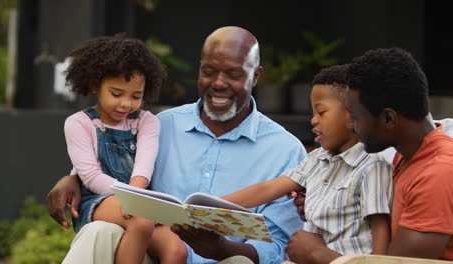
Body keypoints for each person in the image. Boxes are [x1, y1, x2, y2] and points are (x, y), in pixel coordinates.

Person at [47, 26, 307, 264]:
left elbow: (280, 244)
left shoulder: (285, 150)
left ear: (256, 75)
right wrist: (73, 178)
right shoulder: (163, 124)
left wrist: (222, 249)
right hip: (152, 253)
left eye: (234, 74)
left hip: (226, 260)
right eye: (208, 71)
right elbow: (113, 160)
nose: (218, 82)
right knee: (98, 232)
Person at [286, 47, 453, 263]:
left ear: (388, 119)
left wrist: (318, 254)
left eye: (355, 117)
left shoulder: (436, 174)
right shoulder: (405, 155)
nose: (352, 126)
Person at [221, 64, 392, 256]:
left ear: (353, 115)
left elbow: (380, 227)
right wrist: (208, 206)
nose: (313, 120)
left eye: (321, 112)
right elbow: (268, 189)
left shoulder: (372, 165)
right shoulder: (317, 160)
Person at [61, 34, 188, 264]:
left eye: (136, 96)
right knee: (142, 220)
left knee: (177, 249)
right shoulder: (78, 123)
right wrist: (133, 201)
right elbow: (90, 177)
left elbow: (143, 168)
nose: (126, 104)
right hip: (97, 200)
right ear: (94, 84)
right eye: (116, 94)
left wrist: (136, 198)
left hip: (138, 200)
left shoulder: (148, 122)